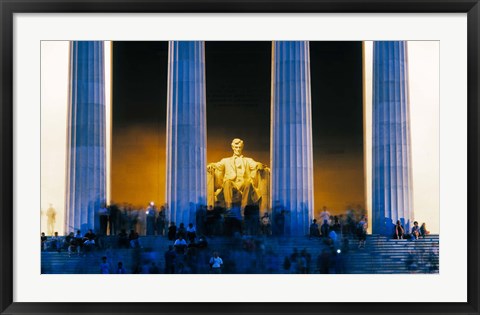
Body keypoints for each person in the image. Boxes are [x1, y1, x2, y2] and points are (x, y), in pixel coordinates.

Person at [207, 138, 266, 210]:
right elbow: (217, 165)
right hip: (231, 185)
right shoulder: (226, 160)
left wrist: (259, 164)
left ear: (242, 147)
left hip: (244, 185)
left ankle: (244, 209)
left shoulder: (248, 160)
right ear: (232, 147)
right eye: (236, 147)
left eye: (239, 147)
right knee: (227, 182)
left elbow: (255, 164)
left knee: (248, 183)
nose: (238, 149)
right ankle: (228, 208)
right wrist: (211, 165)